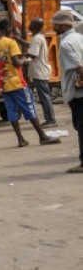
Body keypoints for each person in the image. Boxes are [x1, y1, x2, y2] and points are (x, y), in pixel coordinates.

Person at [0, 19, 61, 148]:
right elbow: (16, 63)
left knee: (11, 111)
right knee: (29, 108)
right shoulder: (10, 42)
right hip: (17, 82)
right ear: (9, 28)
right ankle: (42, 136)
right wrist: (25, 62)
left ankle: (21, 139)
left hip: (3, 84)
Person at [52, 10, 83, 172]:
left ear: (64, 25)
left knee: (81, 127)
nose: (54, 27)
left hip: (78, 93)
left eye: (56, 24)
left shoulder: (66, 44)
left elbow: (79, 66)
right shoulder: (79, 38)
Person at [27, 17, 58, 127]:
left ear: (34, 26)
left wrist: (21, 57)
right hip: (40, 71)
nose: (29, 25)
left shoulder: (36, 38)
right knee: (44, 96)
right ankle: (50, 118)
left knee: (44, 97)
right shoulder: (38, 37)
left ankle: (51, 119)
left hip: (39, 72)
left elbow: (33, 54)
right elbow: (32, 48)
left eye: (31, 23)